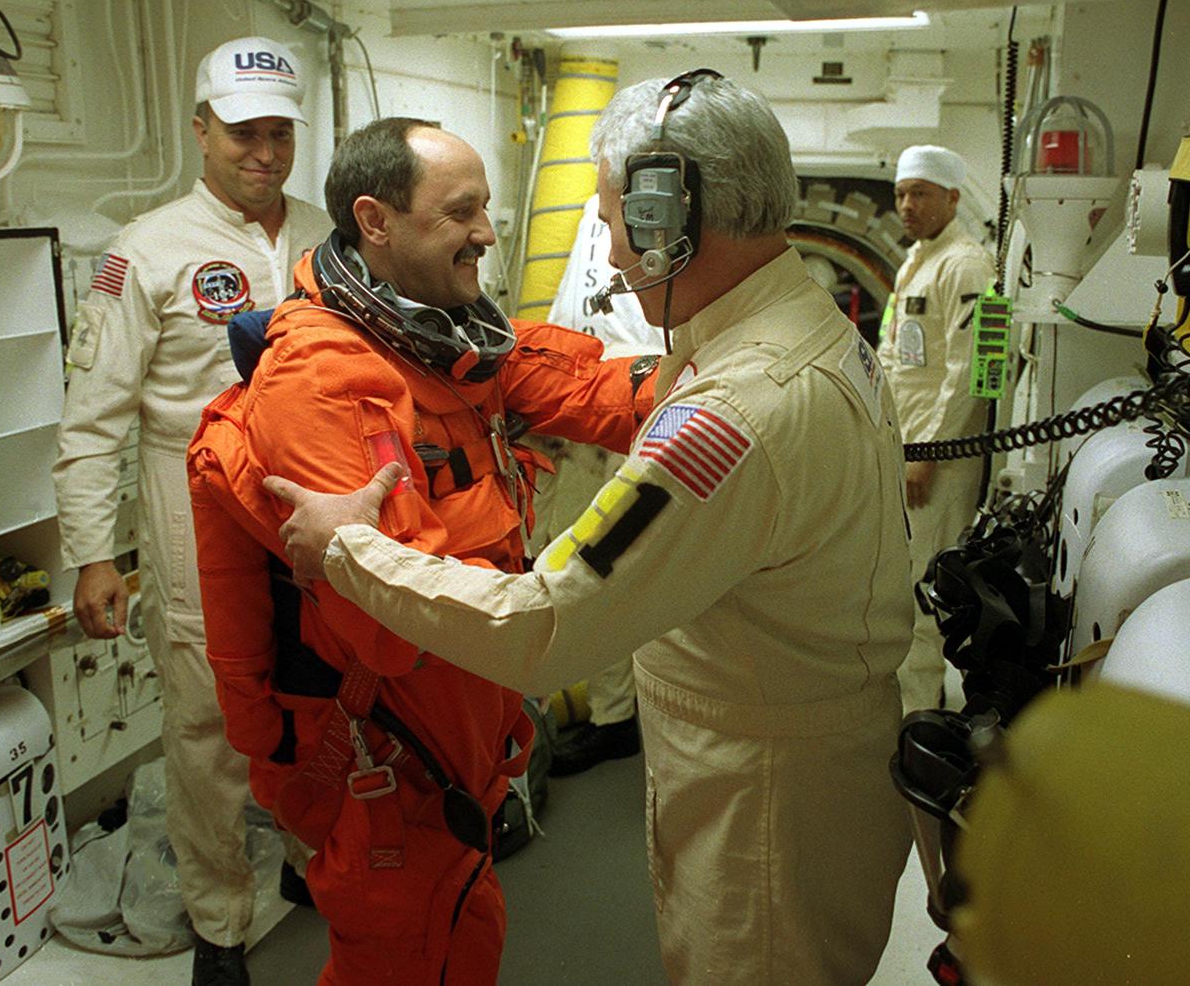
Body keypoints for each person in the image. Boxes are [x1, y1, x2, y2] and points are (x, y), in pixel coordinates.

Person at [266, 72, 915, 985]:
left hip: (765, 805)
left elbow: (544, 627)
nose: (610, 259)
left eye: (612, 225)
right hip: (810, 759)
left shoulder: (735, 413)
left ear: (668, 218)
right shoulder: (814, 329)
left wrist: (346, 548)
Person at [186, 117, 659, 985]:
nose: (487, 232)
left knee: (459, 941)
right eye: (462, 211)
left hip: (457, 742)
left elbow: (592, 388)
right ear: (377, 221)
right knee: (404, 961)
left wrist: (732, 371)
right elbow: (392, 629)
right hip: (385, 765)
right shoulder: (324, 377)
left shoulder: (441, 339)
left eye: (486, 209)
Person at [52, 36, 330, 986]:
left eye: (280, 132)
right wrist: (95, 552)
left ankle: (307, 863)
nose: (265, 151)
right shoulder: (146, 252)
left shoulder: (326, 238)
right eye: (244, 131)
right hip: (192, 493)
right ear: (201, 129)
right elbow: (94, 419)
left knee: (316, 689)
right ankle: (218, 924)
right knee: (209, 719)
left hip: (311, 494)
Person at [531, 194, 662, 776]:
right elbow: (572, 308)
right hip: (582, 396)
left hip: (639, 398)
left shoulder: (673, 209)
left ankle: (620, 719)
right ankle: (605, 712)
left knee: (623, 568)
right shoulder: (592, 209)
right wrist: (549, 403)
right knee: (571, 559)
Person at [877, 145, 997, 714]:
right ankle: (910, 705)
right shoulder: (914, 262)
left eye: (920, 193)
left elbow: (975, 372)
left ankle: (920, 716)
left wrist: (927, 453)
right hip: (906, 445)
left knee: (921, 588)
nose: (906, 205)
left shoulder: (967, 265)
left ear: (952, 197)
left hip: (937, 456)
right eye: (901, 194)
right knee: (901, 579)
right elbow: (897, 353)